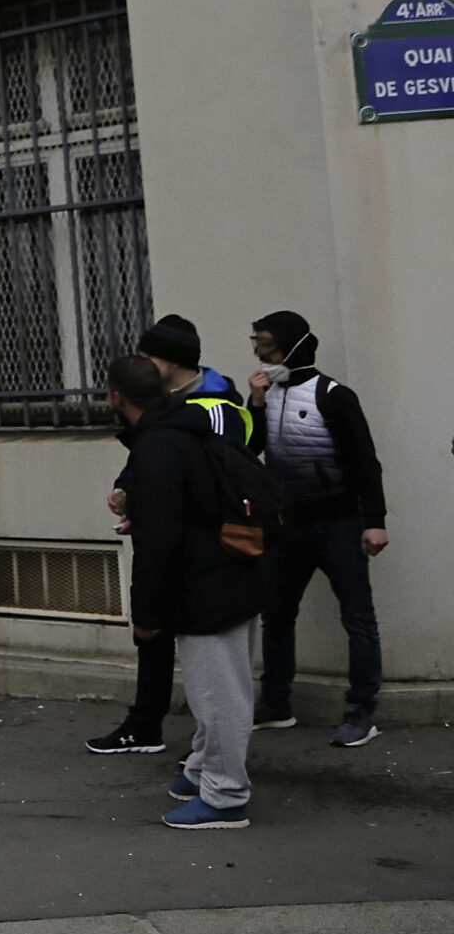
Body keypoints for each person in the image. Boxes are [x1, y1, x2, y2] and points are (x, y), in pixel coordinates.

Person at [106, 355, 261, 829]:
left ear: (116, 397)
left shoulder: (157, 447)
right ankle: (201, 772)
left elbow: (159, 541)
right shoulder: (190, 426)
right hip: (235, 571)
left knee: (219, 697)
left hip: (206, 584)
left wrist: (146, 615)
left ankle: (225, 797)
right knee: (220, 691)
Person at [87, 316, 255, 757]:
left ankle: (218, 777)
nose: (142, 362)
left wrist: (154, 509)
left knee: (214, 682)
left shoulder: (212, 408)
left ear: (166, 360)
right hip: (185, 550)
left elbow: (219, 480)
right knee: (173, 649)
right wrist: (132, 496)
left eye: (148, 355)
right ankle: (151, 727)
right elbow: (150, 462)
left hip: (205, 561)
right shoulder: (166, 411)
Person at [246, 309, 388, 747]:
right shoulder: (266, 394)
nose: (258, 352)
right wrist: (254, 404)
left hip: (338, 524)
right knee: (277, 616)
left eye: (265, 343)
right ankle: (276, 703)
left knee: (357, 617)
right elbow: (248, 451)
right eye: (255, 343)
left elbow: (365, 460)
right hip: (287, 526)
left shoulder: (333, 395)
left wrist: (375, 522)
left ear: (290, 344)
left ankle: (361, 711)